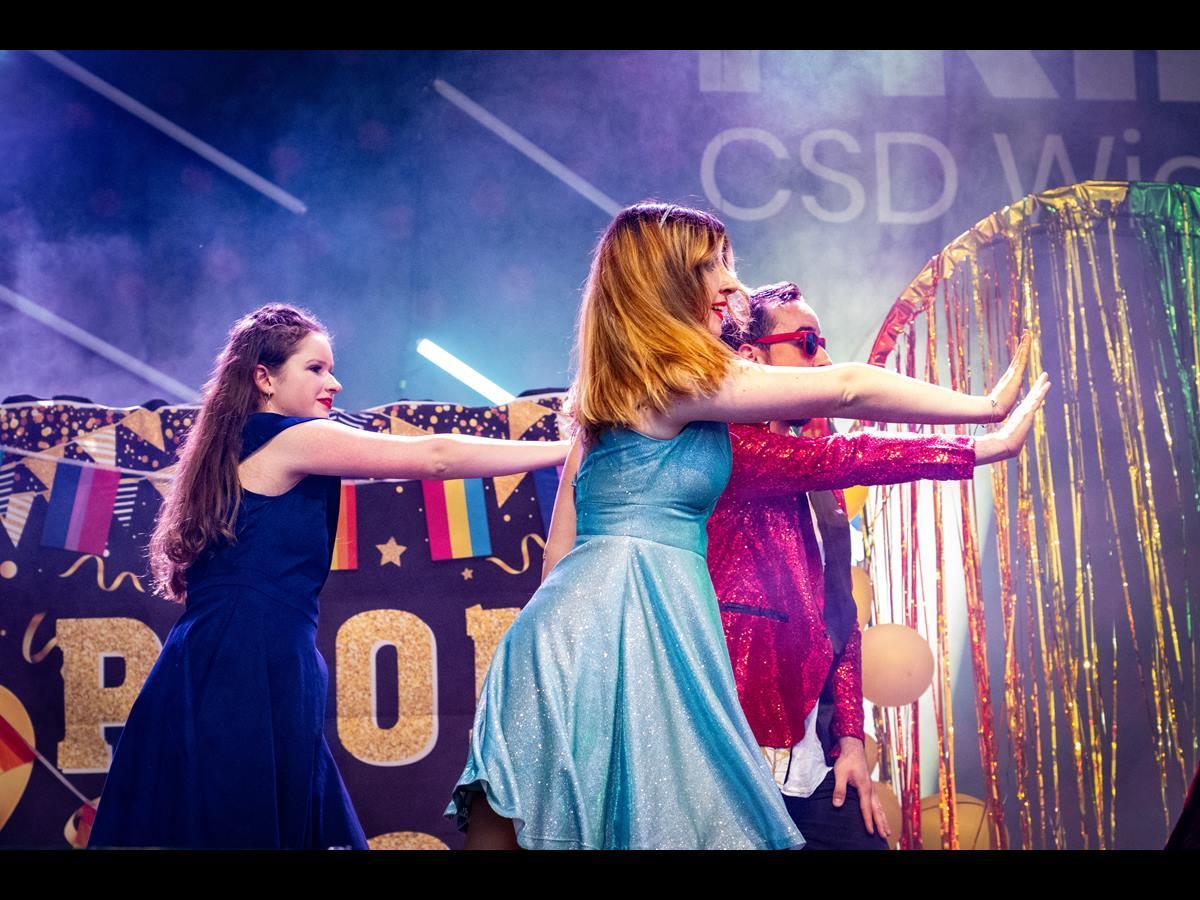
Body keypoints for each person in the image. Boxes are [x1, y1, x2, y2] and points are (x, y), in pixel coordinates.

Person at [449, 202, 1048, 850]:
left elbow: (558, 556)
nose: (732, 283)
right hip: (609, 644)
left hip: (599, 638)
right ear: (665, 281)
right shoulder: (677, 381)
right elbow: (846, 390)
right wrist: (984, 412)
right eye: (712, 267)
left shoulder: (613, 396)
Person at [89, 303, 568, 849]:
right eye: (315, 368)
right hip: (247, 661)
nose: (334, 383)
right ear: (265, 378)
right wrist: (566, 450)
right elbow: (437, 456)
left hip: (223, 657)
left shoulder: (232, 448)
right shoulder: (291, 438)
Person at [709, 282, 1049, 849]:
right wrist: (985, 444)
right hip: (731, 749)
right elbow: (855, 453)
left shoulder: (816, 475)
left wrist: (849, 737)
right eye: (807, 343)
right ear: (751, 359)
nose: (823, 359)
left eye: (823, 343)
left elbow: (839, 613)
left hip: (810, 755)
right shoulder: (731, 450)